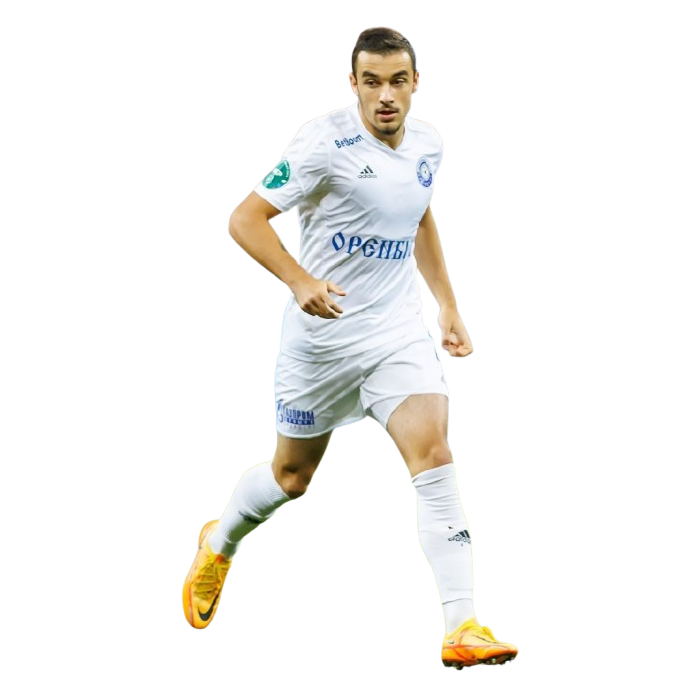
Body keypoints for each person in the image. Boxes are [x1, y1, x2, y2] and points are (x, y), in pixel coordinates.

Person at [183, 26, 519, 669]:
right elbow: (244, 219)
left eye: (397, 81)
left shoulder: (428, 143)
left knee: (435, 456)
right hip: (323, 343)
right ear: (353, 84)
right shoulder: (321, 142)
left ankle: (462, 625)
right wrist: (299, 280)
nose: (385, 95)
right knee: (291, 479)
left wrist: (447, 305)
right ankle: (221, 541)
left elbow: (417, 215)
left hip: (397, 334)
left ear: (415, 83)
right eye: (372, 82)